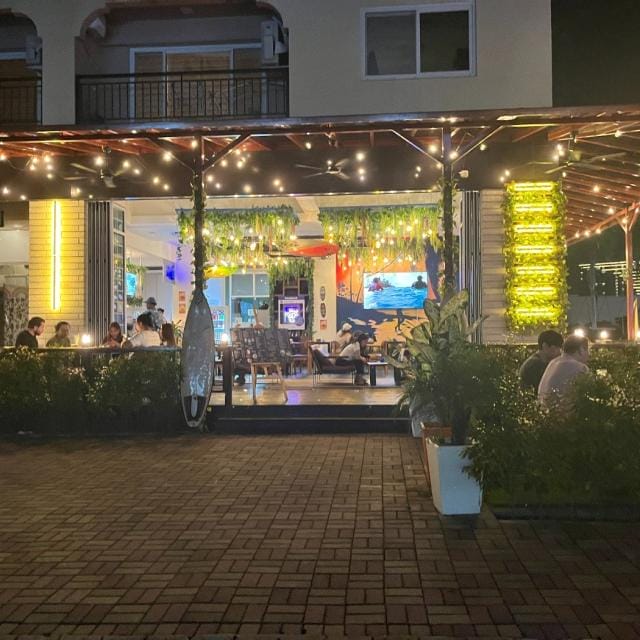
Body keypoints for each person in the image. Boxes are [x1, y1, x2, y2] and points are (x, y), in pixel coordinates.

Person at [538, 334, 590, 411]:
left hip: (543, 412)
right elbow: (590, 392)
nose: (589, 354)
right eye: (588, 350)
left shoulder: (553, 362)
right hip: (561, 414)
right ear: (581, 350)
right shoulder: (580, 367)